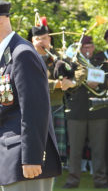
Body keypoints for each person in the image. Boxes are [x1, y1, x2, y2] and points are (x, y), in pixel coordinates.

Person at [0, 0, 61, 191]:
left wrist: (32, 158)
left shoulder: (22, 54)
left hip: (26, 163)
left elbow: (34, 110)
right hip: (11, 160)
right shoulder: (4, 56)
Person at [29, 23, 80, 167]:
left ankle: (53, 171)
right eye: (38, 38)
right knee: (36, 144)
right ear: (32, 41)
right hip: (34, 107)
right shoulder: (27, 57)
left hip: (56, 105)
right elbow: (31, 79)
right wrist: (55, 84)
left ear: (50, 39)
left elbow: (81, 69)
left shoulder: (60, 56)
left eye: (44, 38)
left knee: (55, 146)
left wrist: (72, 82)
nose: (41, 42)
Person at [63, 35, 108, 189]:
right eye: (84, 48)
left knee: (98, 149)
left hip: (98, 111)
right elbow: (67, 83)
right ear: (79, 49)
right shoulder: (73, 63)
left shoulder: (101, 61)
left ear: (94, 47)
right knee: (75, 149)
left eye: (89, 47)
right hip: (77, 111)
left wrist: (99, 86)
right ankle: (72, 180)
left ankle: (100, 180)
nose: (87, 50)